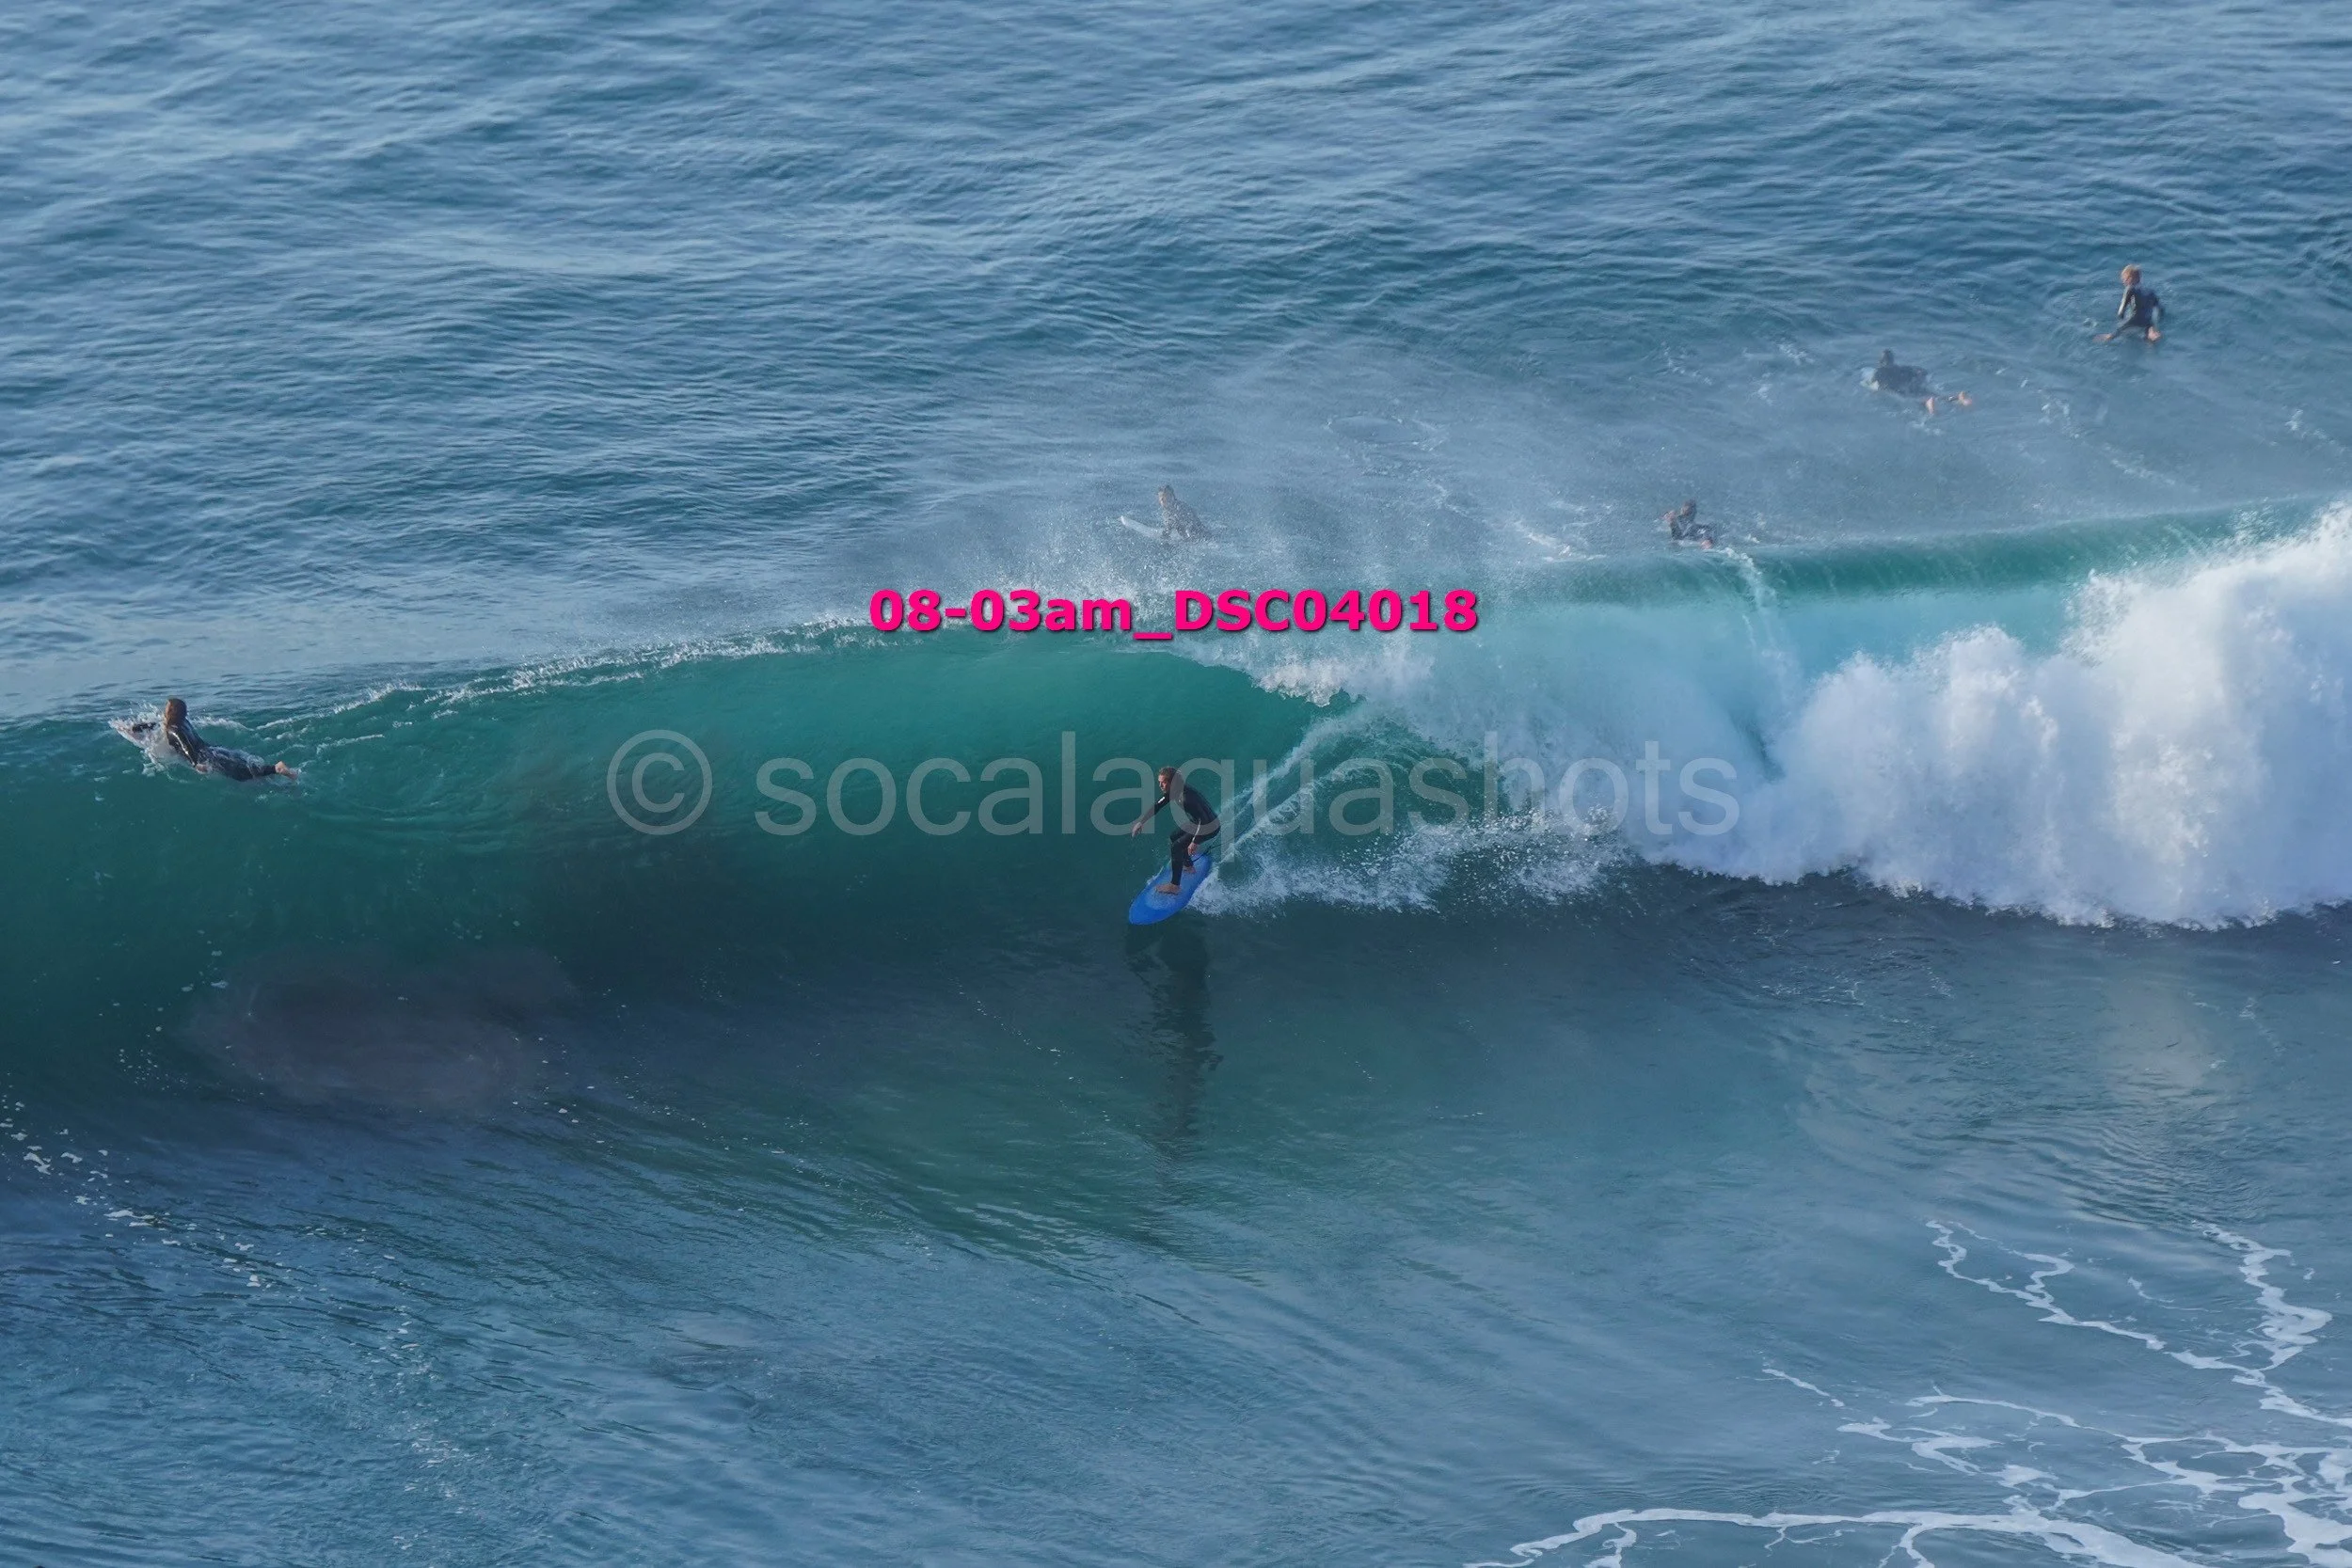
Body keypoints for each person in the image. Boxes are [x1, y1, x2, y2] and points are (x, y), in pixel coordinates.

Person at [123, 697, 294, 780]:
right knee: (242, 764)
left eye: (166, 708)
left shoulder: (173, 730)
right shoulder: (182, 722)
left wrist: (195, 764)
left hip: (207, 757)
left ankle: (276, 769)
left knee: (240, 774)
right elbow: (156, 724)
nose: (163, 710)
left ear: (170, 713)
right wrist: (135, 728)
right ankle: (271, 770)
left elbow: (185, 746)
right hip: (213, 749)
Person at [1129, 765, 1220, 895]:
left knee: (1176, 847)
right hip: (1198, 822)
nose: (1160, 785)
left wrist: (1195, 841)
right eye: (1159, 782)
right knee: (1174, 837)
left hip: (1209, 826)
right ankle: (1188, 866)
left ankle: (1174, 886)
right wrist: (1141, 822)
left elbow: (1204, 820)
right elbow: (1158, 805)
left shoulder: (1187, 797)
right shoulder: (1174, 791)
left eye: (1163, 782)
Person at [1870, 350, 1972, 415]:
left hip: (1901, 391)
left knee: (1914, 402)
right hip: (1914, 386)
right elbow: (1922, 371)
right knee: (1939, 396)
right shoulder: (1901, 368)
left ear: (1881, 361)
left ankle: (1927, 404)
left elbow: (1874, 385)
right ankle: (1958, 398)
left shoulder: (1879, 372)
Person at [2097, 264, 2162, 342]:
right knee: (2149, 331)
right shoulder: (2150, 291)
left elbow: (2122, 308)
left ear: (2130, 279)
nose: (2123, 282)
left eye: (2124, 279)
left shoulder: (2129, 289)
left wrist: (2121, 319)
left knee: (2119, 330)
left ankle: (2110, 336)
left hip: (2135, 319)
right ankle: (2152, 334)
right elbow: (2159, 308)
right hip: (2148, 320)